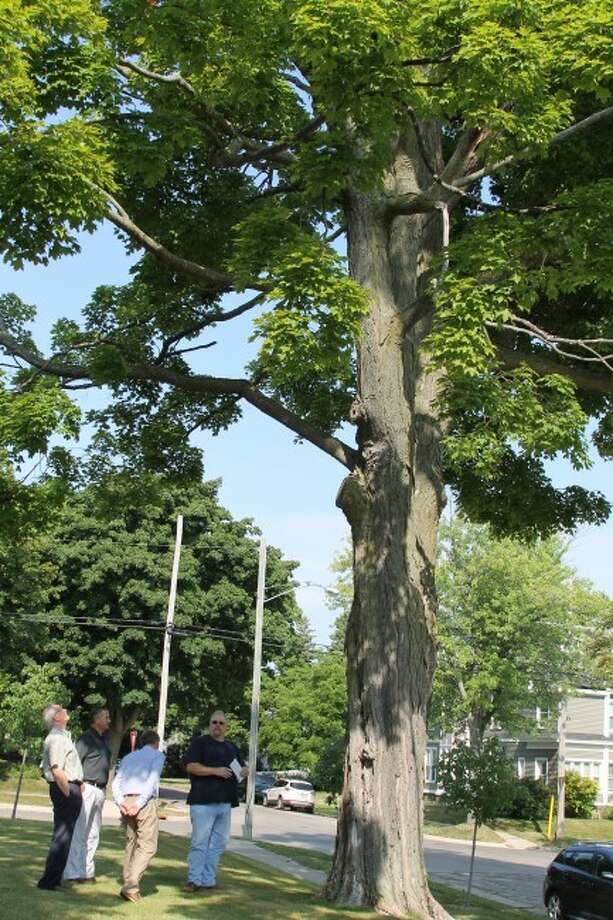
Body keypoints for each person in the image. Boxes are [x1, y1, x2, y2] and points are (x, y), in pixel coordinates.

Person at [184, 710, 247, 893]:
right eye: (214, 722)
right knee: (199, 842)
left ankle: (208, 879)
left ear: (227, 727)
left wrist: (244, 772)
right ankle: (193, 880)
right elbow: (191, 766)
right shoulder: (200, 743)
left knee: (218, 844)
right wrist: (215, 771)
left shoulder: (231, 747)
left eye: (221, 723)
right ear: (209, 725)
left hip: (225, 802)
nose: (217, 726)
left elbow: (239, 770)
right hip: (202, 802)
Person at [111, 729, 165, 903]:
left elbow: (116, 781)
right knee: (148, 845)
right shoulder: (157, 756)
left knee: (131, 843)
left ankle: (128, 879)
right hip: (144, 801)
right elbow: (152, 780)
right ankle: (131, 886)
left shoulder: (128, 757)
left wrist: (121, 802)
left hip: (126, 799)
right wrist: (139, 804)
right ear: (156, 743)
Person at [37, 704, 84, 891]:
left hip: (69, 787)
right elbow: (57, 769)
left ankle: (53, 879)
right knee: (62, 835)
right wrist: (69, 792)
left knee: (64, 835)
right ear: (56, 718)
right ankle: (49, 881)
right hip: (64, 788)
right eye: (61, 709)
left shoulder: (63, 736)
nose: (65, 710)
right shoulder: (56, 739)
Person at [63, 706, 112, 883]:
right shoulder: (86, 738)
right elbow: (73, 762)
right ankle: (74, 872)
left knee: (93, 833)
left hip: (100, 789)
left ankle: (87, 871)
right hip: (87, 787)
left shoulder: (103, 740)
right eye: (106, 717)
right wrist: (79, 782)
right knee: (80, 831)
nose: (109, 720)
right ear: (96, 719)